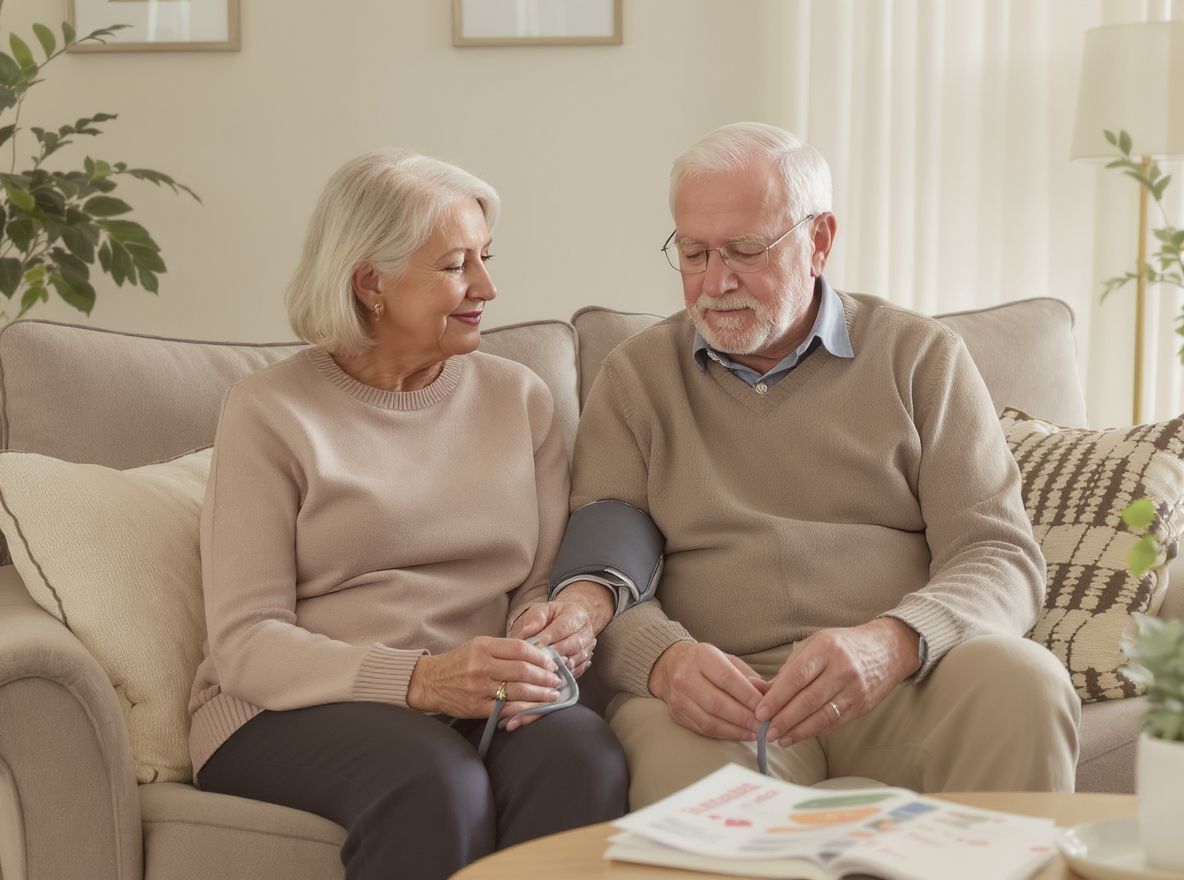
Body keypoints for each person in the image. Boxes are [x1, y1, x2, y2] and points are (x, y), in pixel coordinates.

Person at [557, 122, 1080, 808]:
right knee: (689, 786)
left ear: (820, 241)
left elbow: (999, 553)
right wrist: (662, 660)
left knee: (1026, 684)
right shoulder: (635, 380)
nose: (716, 281)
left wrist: (897, 641)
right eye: (693, 252)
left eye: (746, 250)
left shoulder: (920, 357)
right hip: (726, 698)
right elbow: (597, 579)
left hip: (909, 677)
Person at [188, 149, 627, 879]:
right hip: (289, 706)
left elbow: (535, 583)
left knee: (583, 756)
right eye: (455, 265)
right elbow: (246, 642)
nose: (487, 286)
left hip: (477, 696)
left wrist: (541, 636)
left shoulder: (520, 399)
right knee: (436, 784)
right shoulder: (269, 412)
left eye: (485, 257)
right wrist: (420, 680)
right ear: (371, 282)